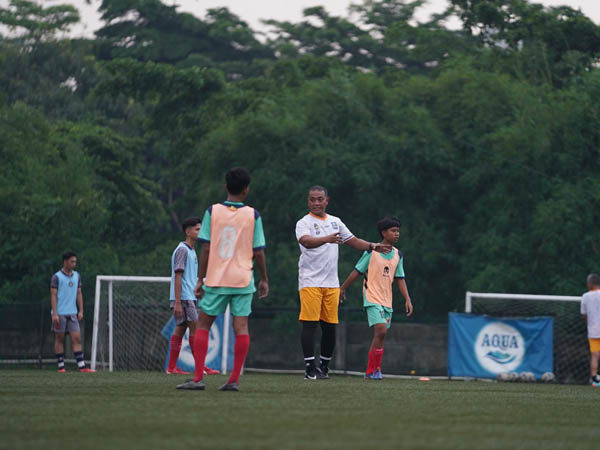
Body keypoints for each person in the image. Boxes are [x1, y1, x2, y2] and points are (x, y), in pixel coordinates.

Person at [177, 167, 269, 392]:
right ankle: (233, 380)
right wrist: (264, 278)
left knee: (203, 324)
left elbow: (206, 247)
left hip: (217, 278)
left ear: (226, 187)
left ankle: (198, 378)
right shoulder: (253, 215)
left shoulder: (212, 211)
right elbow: (258, 251)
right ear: (246, 190)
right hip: (242, 278)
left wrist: (200, 279)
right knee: (241, 327)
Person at [295, 186, 391, 380]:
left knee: (330, 326)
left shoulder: (335, 222)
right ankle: (309, 368)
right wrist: (326, 239)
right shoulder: (303, 223)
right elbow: (306, 242)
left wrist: (372, 246)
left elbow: (353, 241)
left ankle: (324, 367)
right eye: (312, 199)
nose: (316, 203)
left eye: (320, 199)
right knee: (310, 324)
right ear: (308, 202)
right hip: (310, 280)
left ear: (327, 201)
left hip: (331, 282)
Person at [340, 217, 413, 380]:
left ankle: (373, 370)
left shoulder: (398, 255)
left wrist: (407, 299)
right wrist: (342, 288)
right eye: (393, 231)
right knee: (380, 329)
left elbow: (400, 278)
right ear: (383, 233)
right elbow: (356, 271)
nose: (397, 234)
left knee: (382, 335)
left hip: (387, 301)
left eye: (398, 231)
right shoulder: (371, 252)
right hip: (372, 297)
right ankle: (373, 370)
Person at [167, 216, 219, 376]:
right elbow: (178, 276)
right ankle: (201, 367)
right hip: (184, 297)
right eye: (197, 229)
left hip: (188, 296)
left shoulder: (191, 250)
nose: (200, 232)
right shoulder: (182, 250)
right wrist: (177, 302)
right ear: (188, 232)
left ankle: (171, 368)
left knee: (180, 330)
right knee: (196, 329)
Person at [50, 251, 94, 372]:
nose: (74, 264)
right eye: (72, 261)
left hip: (72, 313)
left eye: (75, 261)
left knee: (76, 338)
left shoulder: (77, 276)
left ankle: (82, 367)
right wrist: (55, 313)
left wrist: (81, 310)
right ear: (65, 261)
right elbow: (53, 295)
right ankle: (61, 367)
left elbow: (79, 293)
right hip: (60, 313)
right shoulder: (56, 277)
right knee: (60, 339)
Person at [581, 273, 600, 385]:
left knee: (595, 354)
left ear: (590, 284)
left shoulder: (585, 296)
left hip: (593, 330)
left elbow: (584, 314)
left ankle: (594, 378)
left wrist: (589, 323)